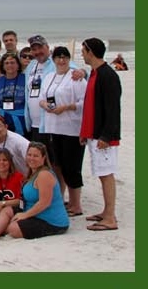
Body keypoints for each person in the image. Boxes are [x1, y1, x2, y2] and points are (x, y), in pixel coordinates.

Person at [0, 142, 69, 241]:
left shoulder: (44, 174)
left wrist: (25, 215)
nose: (31, 158)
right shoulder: (32, 173)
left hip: (50, 220)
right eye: (29, 155)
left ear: (43, 158)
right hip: (31, 211)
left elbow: (44, 203)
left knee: (13, 228)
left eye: (36, 156)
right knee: (7, 210)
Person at [39, 45, 87, 217]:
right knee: (57, 165)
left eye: (64, 57)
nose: (61, 60)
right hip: (53, 127)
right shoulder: (49, 77)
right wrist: (46, 105)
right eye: (58, 57)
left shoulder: (76, 78)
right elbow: (42, 98)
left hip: (71, 128)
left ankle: (76, 204)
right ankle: (62, 198)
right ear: (53, 59)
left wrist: (66, 107)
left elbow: (84, 102)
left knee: (71, 166)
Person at [80, 37, 121, 231]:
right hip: (93, 133)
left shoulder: (107, 75)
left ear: (90, 51)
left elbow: (113, 109)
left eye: (83, 50)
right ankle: (106, 211)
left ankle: (110, 217)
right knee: (100, 172)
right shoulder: (94, 73)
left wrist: (106, 136)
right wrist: (85, 132)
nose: (82, 54)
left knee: (106, 174)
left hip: (104, 136)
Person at [0, 53, 27, 136]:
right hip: (3, 119)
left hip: (21, 119)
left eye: (12, 62)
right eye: (6, 63)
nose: (9, 65)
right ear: (3, 66)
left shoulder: (25, 79)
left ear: (18, 65)